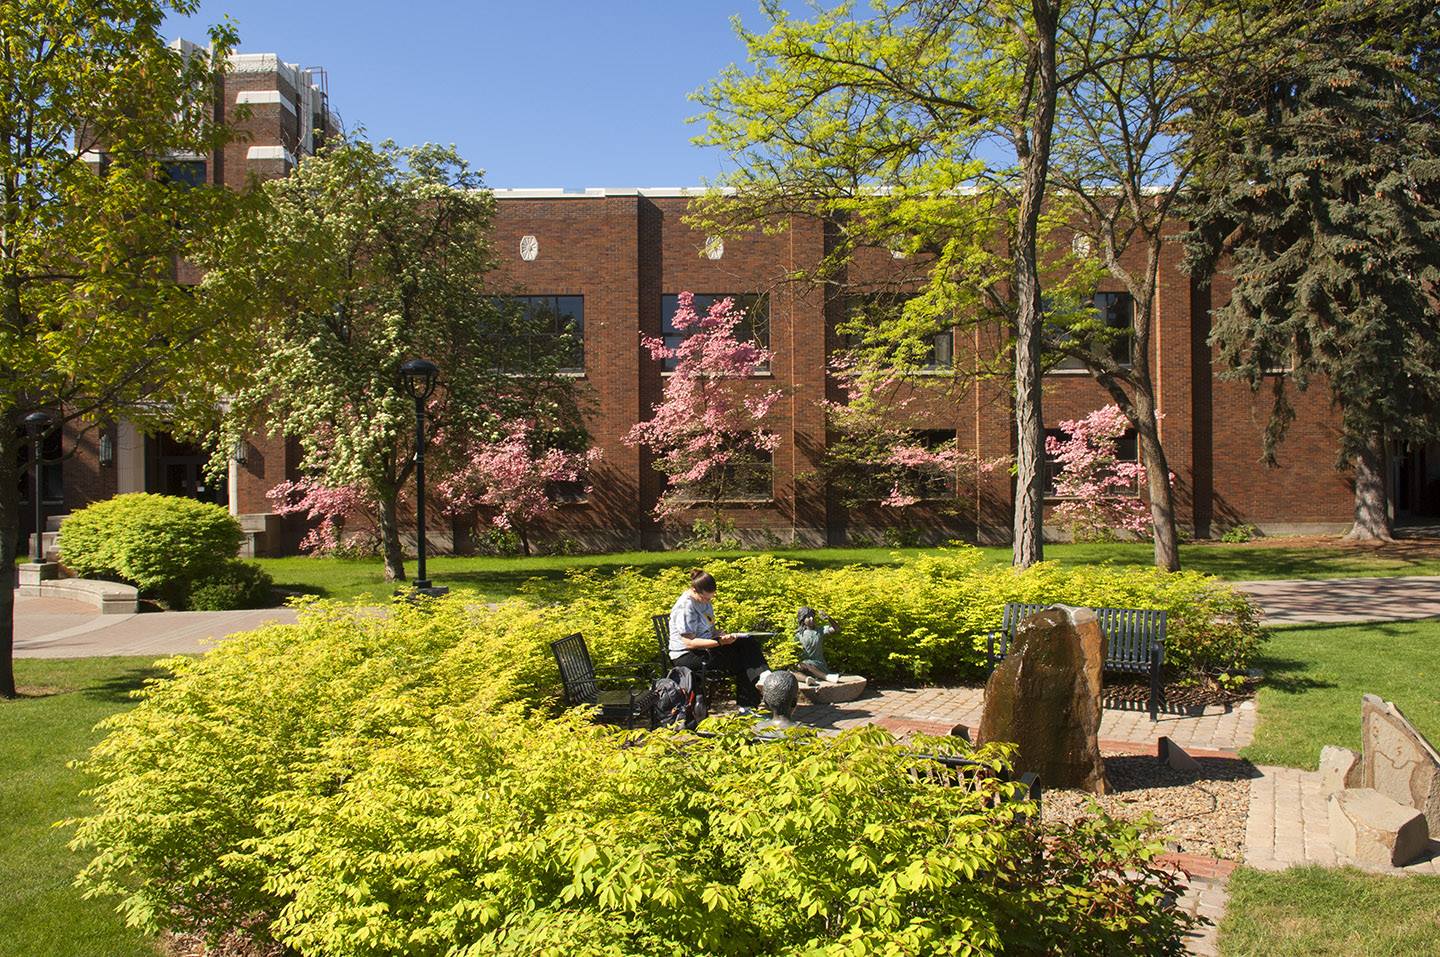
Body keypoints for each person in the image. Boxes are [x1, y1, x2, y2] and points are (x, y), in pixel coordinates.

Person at [668, 568, 773, 710]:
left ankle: (763, 677)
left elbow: (708, 629)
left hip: (706, 647)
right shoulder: (685, 607)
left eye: (710, 598)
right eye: (705, 598)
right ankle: (748, 706)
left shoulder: (704, 601)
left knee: (748, 641)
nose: (707, 601)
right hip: (687, 655)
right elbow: (689, 643)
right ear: (694, 589)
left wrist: (720, 633)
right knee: (743, 660)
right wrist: (719, 642)